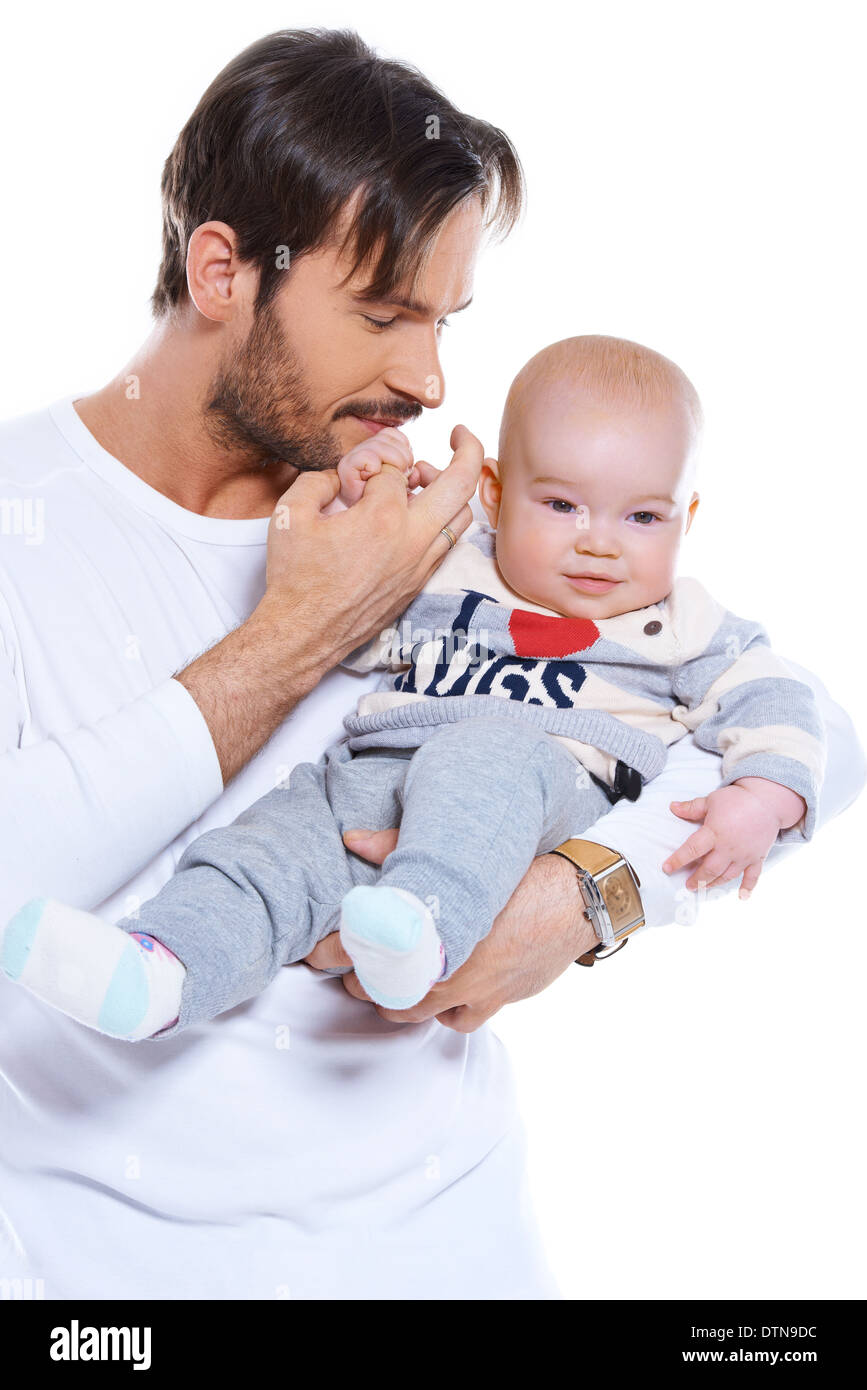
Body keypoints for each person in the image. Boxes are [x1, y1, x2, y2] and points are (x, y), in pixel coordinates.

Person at [0, 29, 862, 1300]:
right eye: (383, 313)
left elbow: (741, 726)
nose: (429, 376)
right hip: (111, 1286)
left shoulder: (444, 517)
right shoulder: (25, 519)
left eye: (445, 319)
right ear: (222, 269)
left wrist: (584, 897)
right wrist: (299, 634)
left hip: (454, 1253)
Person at [1, 335, 829, 1037]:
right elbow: (345, 632)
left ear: (687, 518)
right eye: (563, 505)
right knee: (272, 846)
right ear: (498, 494)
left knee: (488, 756)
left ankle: (421, 932)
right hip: (377, 779)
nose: (600, 546)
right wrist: (361, 494)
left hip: (540, 787)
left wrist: (762, 795)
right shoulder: (454, 564)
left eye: (642, 519)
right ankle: (159, 969)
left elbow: (782, 705)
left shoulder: (685, 623)